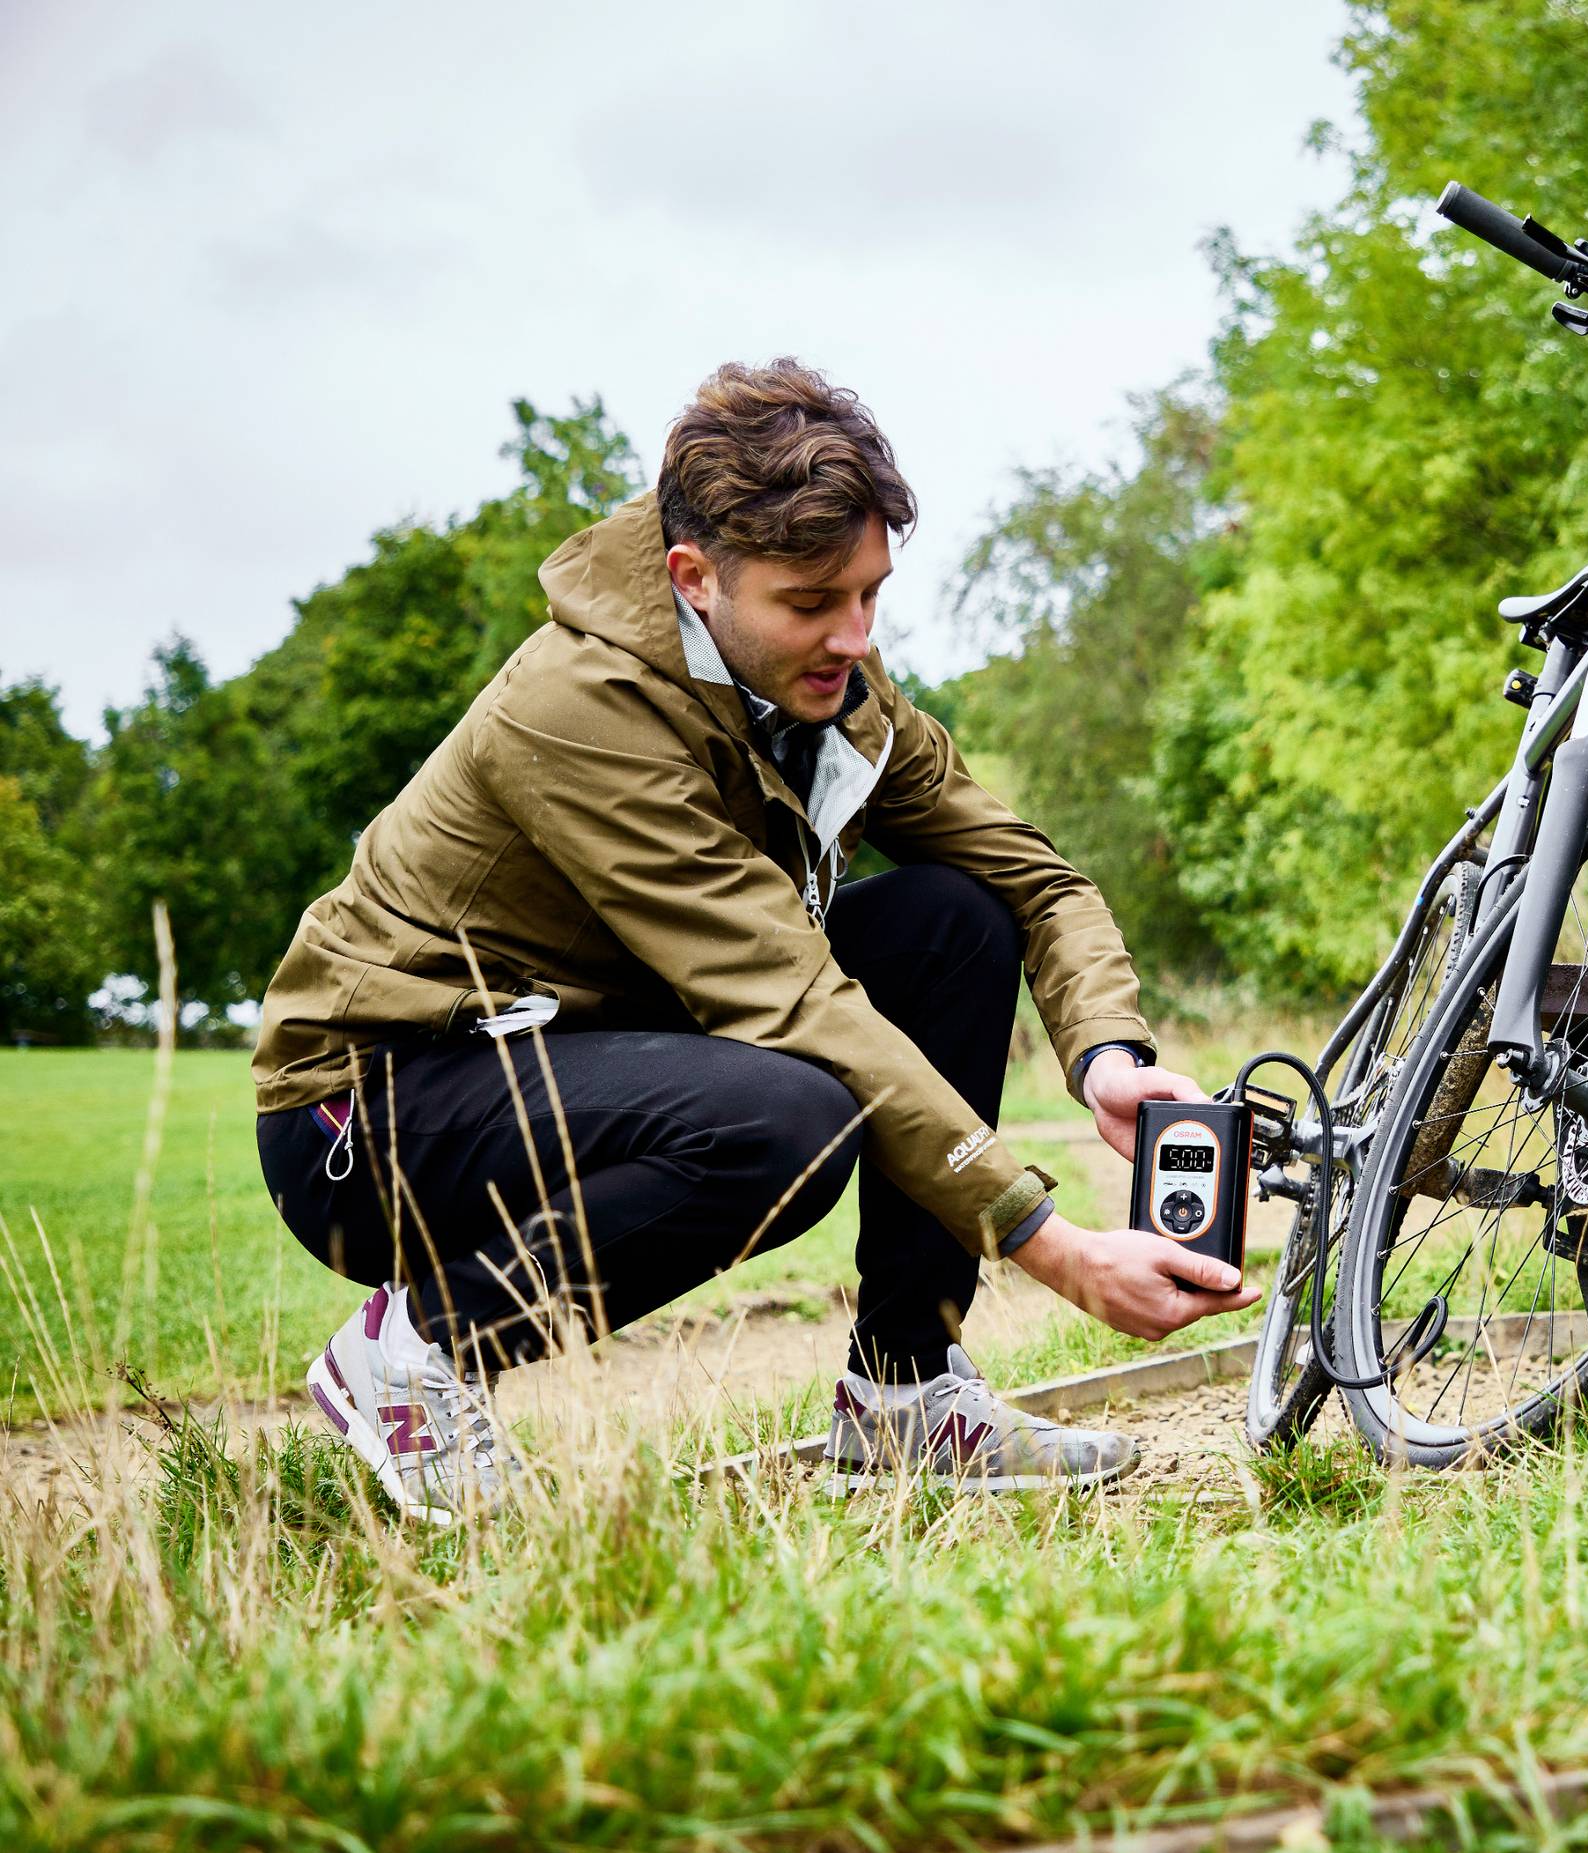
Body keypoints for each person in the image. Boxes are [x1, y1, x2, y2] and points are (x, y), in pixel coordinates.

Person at [250, 359, 1257, 1522]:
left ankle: (905, 1391)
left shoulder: (829, 686)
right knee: (787, 1117)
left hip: (595, 1046)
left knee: (949, 922)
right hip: (374, 1113)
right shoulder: (578, 707)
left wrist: (1108, 1056)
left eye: (870, 596)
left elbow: (1034, 878)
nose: (853, 636)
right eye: (812, 602)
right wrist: (1052, 1244)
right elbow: (791, 997)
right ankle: (416, 1356)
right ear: (696, 577)